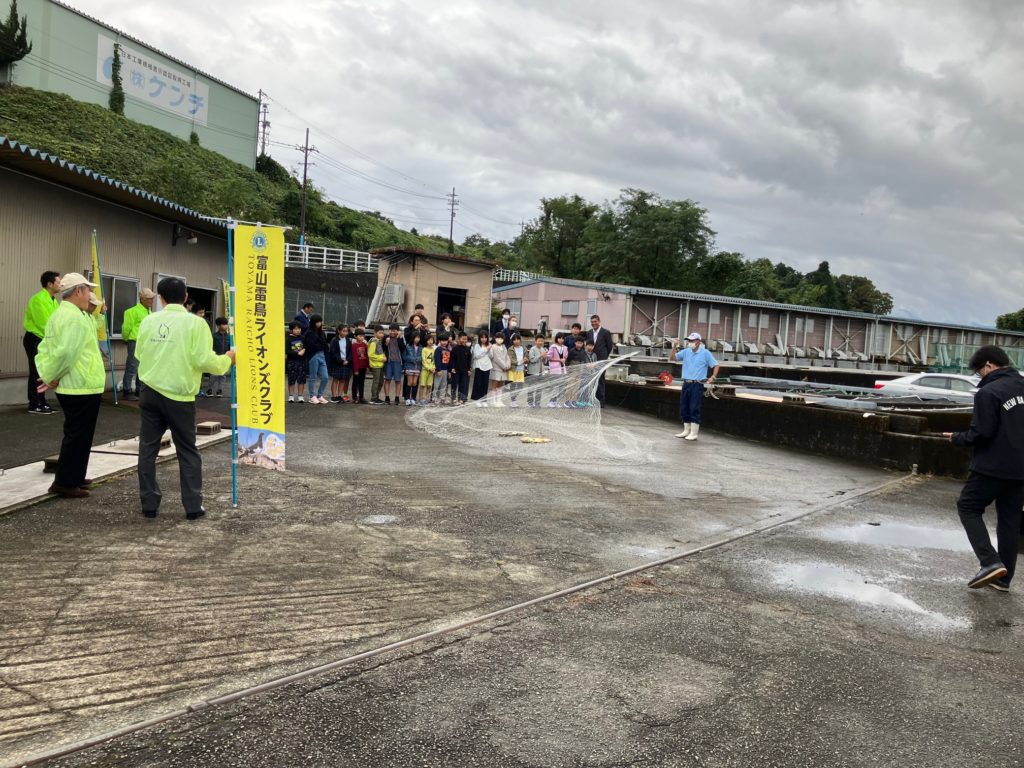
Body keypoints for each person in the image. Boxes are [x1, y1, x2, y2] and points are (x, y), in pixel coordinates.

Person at [135, 277, 235, 520]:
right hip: (179, 396)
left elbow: (139, 353)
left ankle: (149, 504)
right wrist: (228, 359)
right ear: (186, 296)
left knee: (147, 449)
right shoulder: (196, 323)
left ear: (160, 298)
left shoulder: (149, 320)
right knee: (187, 451)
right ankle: (192, 506)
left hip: (149, 391)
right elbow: (204, 360)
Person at [944, 345, 1024, 591]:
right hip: (1021, 469)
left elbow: (982, 433)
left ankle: (989, 561)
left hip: (992, 466)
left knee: (968, 506)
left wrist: (957, 438)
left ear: (989, 365)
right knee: (1010, 521)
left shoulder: (989, 392)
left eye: (979, 371)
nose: (980, 376)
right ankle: (1003, 579)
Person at [34, 273, 104, 497]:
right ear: (78, 291)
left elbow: (45, 348)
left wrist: (48, 374)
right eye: (87, 290)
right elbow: (66, 354)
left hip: (79, 384)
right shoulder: (73, 317)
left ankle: (74, 477)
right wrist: (50, 376)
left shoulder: (64, 314)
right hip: (79, 384)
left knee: (80, 435)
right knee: (78, 435)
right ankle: (65, 482)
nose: (90, 294)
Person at [23, 270, 62, 414]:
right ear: (49, 284)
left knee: (43, 371)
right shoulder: (38, 299)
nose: (61, 284)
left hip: (45, 339)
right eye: (58, 282)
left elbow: (58, 321)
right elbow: (44, 324)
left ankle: (42, 402)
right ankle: (34, 404)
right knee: (36, 371)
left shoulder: (54, 300)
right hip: (35, 338)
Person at [672, 332, 719, 441]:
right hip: (686, 383)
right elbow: (673, 358)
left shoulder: (705, 353)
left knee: (694, 407)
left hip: (697, 384)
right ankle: (686, 430)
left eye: (692, 341)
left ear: (698, 342)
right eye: (689, 340)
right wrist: (674, 346)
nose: (690, 342)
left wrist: (713, 377)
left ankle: (694, 433)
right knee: (684, 407)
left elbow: (716, 365)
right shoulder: (686, 351)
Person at [120, 287, 155, 401]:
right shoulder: (132, 311)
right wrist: (126, 339)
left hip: (146, 342)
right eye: (149, 298)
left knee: (143, 367)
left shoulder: (149, 312)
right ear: (142, 299)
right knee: (132, 366)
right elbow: (126, 328)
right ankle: (127, 390)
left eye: (152, 298)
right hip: (135, 341)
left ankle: (139, 390)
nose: (152, 301)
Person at [589, 314, 615, 405]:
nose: (594, 323)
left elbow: (609, 346)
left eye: (595, 321)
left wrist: (604, 357)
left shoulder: (606, 332)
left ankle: (600, 401)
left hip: (601, 359)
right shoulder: (589, 332)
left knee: (600, 379)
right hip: (591, 360)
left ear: (599, 321)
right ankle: (591, 400)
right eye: (592, 322)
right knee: (591, 379)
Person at [304, 314, 329, 404]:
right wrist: (321, 344)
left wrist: (321, 345)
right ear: (313, 322)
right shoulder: (309, 333)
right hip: (313, 355)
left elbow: (325, 344)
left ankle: (320, 395)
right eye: (317, 322)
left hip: (322, 355)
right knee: (313, 377)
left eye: (320, 321)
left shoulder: (322, 333)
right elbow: (311, 345)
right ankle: (312, 396)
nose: (319, 323)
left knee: (325, 377)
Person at [328, 324, 353, 403]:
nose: (345, 333)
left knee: (343, 380)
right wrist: (341, 361)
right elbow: (333, 352)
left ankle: (339, 395)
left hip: (346, 362)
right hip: (337, 363)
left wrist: (348, 360)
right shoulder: (334, 340)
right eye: (343, 331)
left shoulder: (348, 340)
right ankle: (334, 396)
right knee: (335, 379)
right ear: (339, 331)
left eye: (346, 331)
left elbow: (350, 352)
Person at [207, 317, 231, 397]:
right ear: (218, 326)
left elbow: (230, 347)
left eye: (226, 324)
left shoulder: (229, 337)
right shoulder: (213, 336)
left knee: (222, 376)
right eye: (223, 324)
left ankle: (219, 390)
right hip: (215, 358)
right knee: (213, 375)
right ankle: (209, 389)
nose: (226, 326)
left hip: (225, 358)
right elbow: (210, 347)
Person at [384, 324, 407, 405]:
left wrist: (399, 339)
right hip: (389, 362)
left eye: (394, 331)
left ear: (398, 331)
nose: (392, 332)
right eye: (391, 330)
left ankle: (397, 397)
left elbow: (403, 348)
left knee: (398, 380)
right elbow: (383, 348)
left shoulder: (401, 338)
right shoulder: (386, 337)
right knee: (387, 379)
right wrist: (386, 343)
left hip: (398, 361)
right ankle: (387, 397)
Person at [286, 321, 307, 403]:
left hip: (302, 362)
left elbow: (306, 347)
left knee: (301, 379)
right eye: (295, 329)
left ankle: (300, 396)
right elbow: (287, 351)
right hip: (292, 362)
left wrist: (304, 350)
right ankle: (291, 396)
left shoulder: (303, 338)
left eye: (299, 328)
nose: (298, 330)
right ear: (291, 330)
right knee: (291, 379)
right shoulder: (288, 339)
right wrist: (297, 353)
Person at [488, 332, 511, 399]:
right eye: (498, 338)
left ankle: (498, 400)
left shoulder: (504, 346)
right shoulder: (493, 347)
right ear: (495, 338)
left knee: (500, 385)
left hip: (504, 369)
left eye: (501, 338)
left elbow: (507, 357)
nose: (500, 339)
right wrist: (504, 367)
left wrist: (508, 365)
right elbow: (497, 358)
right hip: (496, 369)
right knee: (495, 385)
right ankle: (493, 400)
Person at [451, 332, 472, 405]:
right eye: (463, 339)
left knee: (463, 385)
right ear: (459, 339)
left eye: (466, 339)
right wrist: (452, 368)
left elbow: (469, 360)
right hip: (455, 371)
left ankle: (461, 399)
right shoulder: (454, 349)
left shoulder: (467, 349)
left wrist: (469, 369)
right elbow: (452, 359)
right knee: (454, 385)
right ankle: (453, 399)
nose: (465, 341)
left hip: (464, 371)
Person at [368, 327, 387, 404]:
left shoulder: (379, 341)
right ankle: (373, 398)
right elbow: (371, 355)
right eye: (380, 333)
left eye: (382, 333)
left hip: (380, 365)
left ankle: (376, 396)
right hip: (375, 365)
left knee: (381, 381)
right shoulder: (373, 342)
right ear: (375, 333)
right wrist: (381, 358)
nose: (382, 334)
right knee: (376, 382)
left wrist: (383, 356)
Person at [471, 331, 492, 401]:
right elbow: (476, 356)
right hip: (479, 366)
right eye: (482, 337)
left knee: (485, 383)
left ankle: (484, 398)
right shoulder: (477, 346)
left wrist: (489, 350)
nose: (484, 339)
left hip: (487, 366)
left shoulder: (489, 345)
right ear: (479, 338)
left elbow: (491, 356)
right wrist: (486, 350)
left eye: (485, 337)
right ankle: (477, 397)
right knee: (478, 382)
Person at [527, 335, 547, 407]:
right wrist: (540, 355)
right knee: (531, 388)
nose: (540, 342)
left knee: (539, 388)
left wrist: (545, 358)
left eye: (542, 341)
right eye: (539, 341)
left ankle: (537, 403)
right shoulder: (532, 349)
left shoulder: (543, 349)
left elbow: (545, 362)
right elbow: (532, 360)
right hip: (533, 372)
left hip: (541, 372)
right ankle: (530, 402)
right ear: (535, 341)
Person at [403, 331, 422, 406]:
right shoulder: (408, 346)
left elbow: (422, 356)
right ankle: (407, 399)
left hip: (417, 367)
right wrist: (412, 359)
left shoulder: (421, 347)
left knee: (415, 383)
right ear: (413, 338)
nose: (417, 339)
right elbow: (404, 356)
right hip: (409, 366)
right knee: (409, 382)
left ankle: (413, 398)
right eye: (416, 337)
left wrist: (418, 359)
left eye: (418, 338)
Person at [433, 333, 452, 404]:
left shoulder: (448, 350)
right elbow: (437, 360)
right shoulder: (438, 349)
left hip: (446, 370)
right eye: (442, 341)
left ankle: (442, 397)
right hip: (439, 370)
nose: (444, 342)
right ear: (440, 341)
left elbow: (449, 362)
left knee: (444, 385)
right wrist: (438, 369)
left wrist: (449, 371)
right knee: (436, 384)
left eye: (445, 341)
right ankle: (434, 398)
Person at [351, 329, 369, 404]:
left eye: (363, 336)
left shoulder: (365, 345)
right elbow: (354, 358)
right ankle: (354, 397)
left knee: (362, 382)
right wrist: (356, 369)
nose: (361, 337)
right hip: (357, 367)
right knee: (355, 382)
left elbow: (367, 355)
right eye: (360, 336)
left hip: (363, 367)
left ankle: (361, 397)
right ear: (355, 336)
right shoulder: (354, 345)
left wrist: (367, 366)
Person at [507, 333, 526, 405]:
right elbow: (510, 359)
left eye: (518, 339)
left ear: (520, 340)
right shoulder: (510, 349)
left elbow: (526, 357)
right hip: (513, 370)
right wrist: (519, 362)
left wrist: (526, 359)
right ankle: (513, 401)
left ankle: (514, 398)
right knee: (513, 386)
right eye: (514, 339)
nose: (516, 341)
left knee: (520, 387)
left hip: (521, 370)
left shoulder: (523, 348)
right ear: (512, 341)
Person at [419, 334, 436, 404]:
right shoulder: (424, 349)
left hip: (432, 370)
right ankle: (420, 399)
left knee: (429, 385)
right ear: (426, 341)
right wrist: (428, 368)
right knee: (422, 385)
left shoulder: (434, 350)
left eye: (431, 340)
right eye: (428, 340)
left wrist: (434, 368)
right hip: (425, 370)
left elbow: (435, 360)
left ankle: (427, 399)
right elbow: (423, 360)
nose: (430, 341)